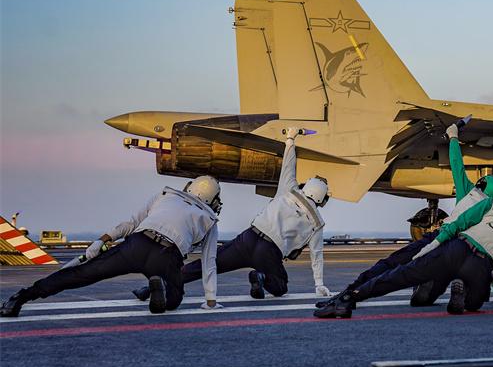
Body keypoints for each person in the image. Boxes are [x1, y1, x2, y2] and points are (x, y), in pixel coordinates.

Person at [313, 168, 493, 318]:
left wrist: (435, 243)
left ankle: (346, 299)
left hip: (455, 247)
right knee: (477, 301)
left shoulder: (492, 204)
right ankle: (461, 294)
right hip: (481, 268)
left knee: (400, 275)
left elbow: (459, 223)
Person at [315, 120, 493, 311]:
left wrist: (453, 137)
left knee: (391, 265)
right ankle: (446, 287)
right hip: (461, 251)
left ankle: (345, 296)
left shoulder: (468, 192)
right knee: (436, 290)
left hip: (439, 238)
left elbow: (457, 164)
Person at [135, 127, 331, 303]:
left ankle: (151, 287)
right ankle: (260, 277)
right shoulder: (317, 222)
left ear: (307, 187)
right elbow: (316, 255)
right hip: (269, 252)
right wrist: (319, 284)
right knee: (280, 287)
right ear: (321, 199)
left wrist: (290, 139)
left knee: (204, 265)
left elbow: (288, 165)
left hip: (248, 238)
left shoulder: (289, 190)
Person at [1, 176, 223, 317]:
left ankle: (19, 299)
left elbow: (130, 224)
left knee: (81, 274)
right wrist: (211, 301)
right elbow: (209, 262)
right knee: (174, 299)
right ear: (212, 199)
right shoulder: (209, 219)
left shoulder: (165, 196)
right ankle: (160, 286)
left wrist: (102, 240)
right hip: (167, 255)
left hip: (137, 244)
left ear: (189, 187)